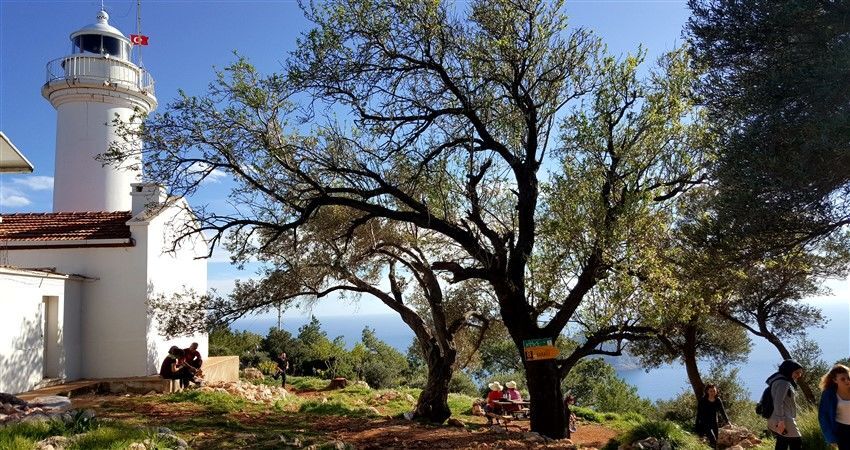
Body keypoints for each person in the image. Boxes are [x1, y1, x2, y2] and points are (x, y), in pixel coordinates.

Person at [767, 359, 805, 450]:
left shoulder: (779, 380)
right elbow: (778, 402)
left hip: (779, 417)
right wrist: (781, 421)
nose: (798, 376)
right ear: (789, 370)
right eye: (796, 373)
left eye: (800, 373)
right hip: (784, 419)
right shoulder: (783, 383)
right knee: (796, 441)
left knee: (782, 442)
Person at [818, 364, 850, 450]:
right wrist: (830, 437)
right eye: (842, 379)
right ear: (835, 380)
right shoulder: (829, 394)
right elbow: (823, 416)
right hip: (842, 431)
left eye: (848, 378)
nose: (847, 381)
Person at [695, 383, 731, 449]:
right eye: (711, 391)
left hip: (714, 422)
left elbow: (722, 411)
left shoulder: (718, 400)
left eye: (714, 391)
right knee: (713, 440)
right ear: (707, 391)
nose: (713, 392)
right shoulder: (702, 401)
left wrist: (727, 421)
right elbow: (699, 414)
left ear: (716, 391)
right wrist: (697, 425)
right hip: (705, 423)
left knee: (715, 441)